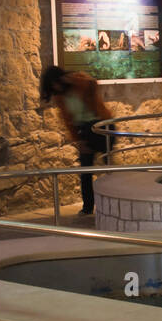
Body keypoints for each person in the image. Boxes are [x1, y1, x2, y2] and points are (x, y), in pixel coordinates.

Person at [40, 66, 111, 215]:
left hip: (102, 125)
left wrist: (71, 79)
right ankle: (88, 207)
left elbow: (92, 83)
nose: (55, 87)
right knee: (85, 171)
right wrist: (79, 141)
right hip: (85, 130)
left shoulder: (79, 82)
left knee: (109, 167)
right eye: (52, 86)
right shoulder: (60, 97)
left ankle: (115, 200)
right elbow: (68, 121)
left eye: (56, 83)